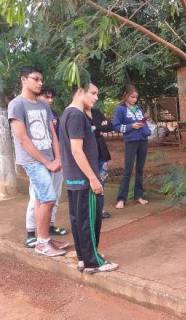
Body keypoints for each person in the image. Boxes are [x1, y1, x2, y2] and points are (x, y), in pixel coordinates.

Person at [8, 66, 68, 256]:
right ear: (24, 80)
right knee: (48, 198)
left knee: (43, 199)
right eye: (36, 79)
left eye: (41, 80)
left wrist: (57, 157)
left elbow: (52, 133)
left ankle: (45, 239)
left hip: (49, 158)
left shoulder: (43, 105)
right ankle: (42, 242)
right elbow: (23, 139)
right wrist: (47, 162)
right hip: (32, 161)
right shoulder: (17, 105)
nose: (40, 83)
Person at [59, 83, 118, 273]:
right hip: (84, 179)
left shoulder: (68, 113)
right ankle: (94, 262)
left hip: (74, 178)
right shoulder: (76, 115)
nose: (96, 97)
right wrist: (93, 179)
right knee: (90, 221)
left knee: (79, 220)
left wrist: (88, 109)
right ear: (80, 91)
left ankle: (84, 258)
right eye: (93, 93)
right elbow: (77, 150)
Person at [24, 86, 67, 248]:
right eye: (46, 97)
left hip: (55, 159)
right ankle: (31, 232)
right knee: (37, 197)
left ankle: (49, 227)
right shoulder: (29, 112)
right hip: (38, 162)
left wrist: (59, 158)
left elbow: (57, 136)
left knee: (53, 195)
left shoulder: (52, 113)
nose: (50, 100)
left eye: (51, 97)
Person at [112, 84, 151, 209]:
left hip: (143, 141)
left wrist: (144, 121)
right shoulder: (120, 109)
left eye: (136, 97)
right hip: (131, 141)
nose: (135, 99)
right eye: (132, 97)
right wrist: (131, 126)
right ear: (126, 96)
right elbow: (116, 126)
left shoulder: (138, 108)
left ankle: (138, 195)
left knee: (140, 169)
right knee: (128, 170)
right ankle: (121, 199)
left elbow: (142, 122)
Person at [87, 107, 113, 219]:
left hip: (101, 151)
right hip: (87, 153)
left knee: (101, 180)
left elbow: (109, 126)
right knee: (90, 181)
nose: (95, 97)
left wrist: (95, 127)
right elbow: (86, 131)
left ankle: (100, 209)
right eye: (92, 94)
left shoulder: (96, 111)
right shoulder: (77, 112)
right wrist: (99, 127)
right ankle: (89, 210)